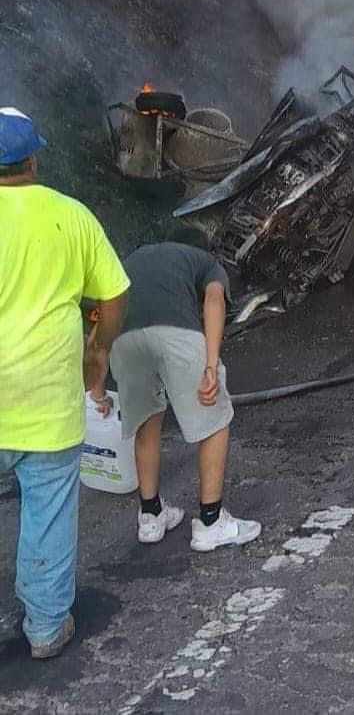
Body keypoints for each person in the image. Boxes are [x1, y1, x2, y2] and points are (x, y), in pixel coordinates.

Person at [0, 108, 129, 659]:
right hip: (49, 398)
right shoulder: (70, 215)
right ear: (34, 158)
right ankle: (47, 627)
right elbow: (112, 295)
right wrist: (97, 351)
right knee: (47, 512)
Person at [110, 226, 261, 551]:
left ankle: (150, 517)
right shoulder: (205, 261)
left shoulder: (134, 258)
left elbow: (101, 308)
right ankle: (211, 522)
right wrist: (210, 365)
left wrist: (95, 385)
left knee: (147, 422)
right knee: (214, 417)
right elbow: (214, 298)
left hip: (123, 339)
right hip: (176, 334)